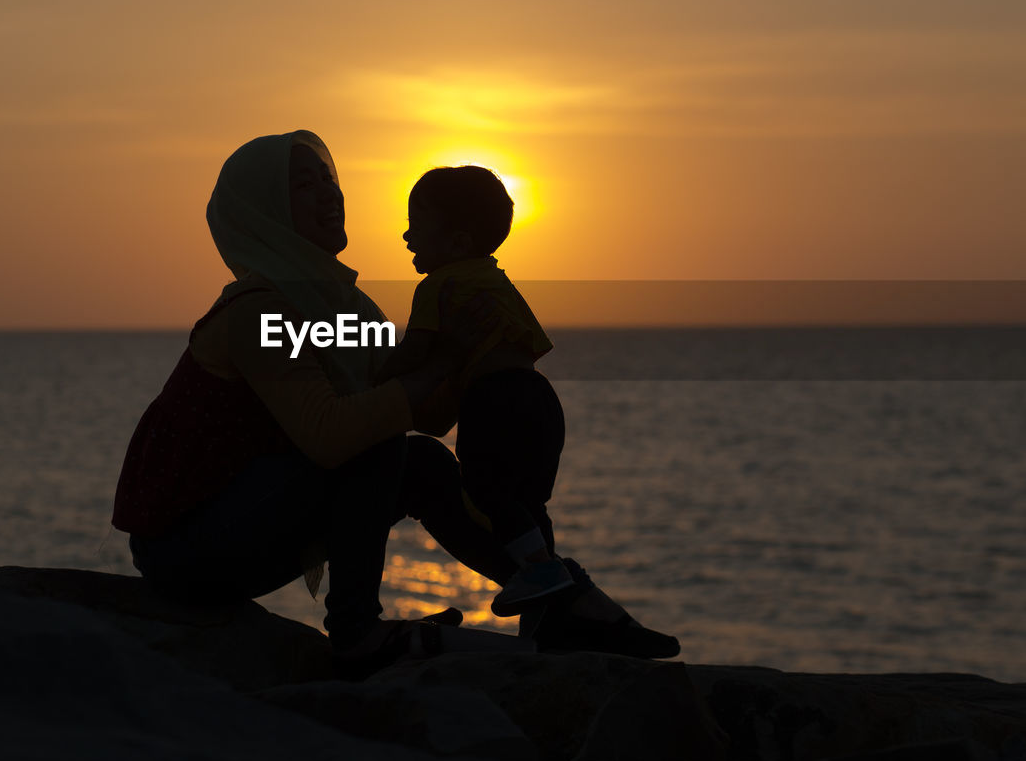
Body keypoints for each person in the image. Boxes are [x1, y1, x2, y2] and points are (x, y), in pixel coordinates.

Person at [112, 131, 678, 679]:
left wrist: (485, 361)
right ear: (261, 210)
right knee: (373, 442)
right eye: (302, 185)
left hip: (260, 525)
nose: (329, 193)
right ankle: (357, 634)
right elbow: (332, 435)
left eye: (328, 179)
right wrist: (437, 362)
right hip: (187, 549)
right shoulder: (256, 314)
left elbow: (427, 416)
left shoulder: (350, 311)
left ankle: (560, 597)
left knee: (424, 462)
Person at [378, 165, 573, 617]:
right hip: (539, 398)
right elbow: (530, 344)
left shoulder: (438, 286)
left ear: (458, 242)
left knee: (483, 490)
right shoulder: (495, 280)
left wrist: (378, 377)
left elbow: (416, 350)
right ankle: (549, 586)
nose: (406, 237)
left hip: (494, 398)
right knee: (527, 500)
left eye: (417, 226)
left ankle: (540, 571)